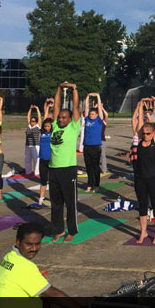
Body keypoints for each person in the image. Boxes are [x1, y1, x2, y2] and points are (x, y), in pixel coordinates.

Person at [0, 222, 81, 308]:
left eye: (37, 244)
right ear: (18, 242)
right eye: (29, 244)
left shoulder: (9, 257)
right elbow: (52, 293)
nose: (34, 248)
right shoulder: (25, 267)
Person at [48, 82, 80, 242]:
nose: (60, 119)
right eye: (59, 117)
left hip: (68, 169)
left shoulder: (73, 127)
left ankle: (72, 231)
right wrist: (59, 89)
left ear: (70, 119)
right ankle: (58, 230)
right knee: (55, 204)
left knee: (70, 203)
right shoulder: (55, 126)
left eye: (63, 117)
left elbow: (75, 107)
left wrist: (74, 89)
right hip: (53, 169)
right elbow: (56, 105)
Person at [133, 98, 155, 244]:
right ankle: (143, 232)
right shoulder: (140, 140)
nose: (145, 135)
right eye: (144, 133)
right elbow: (139, 123)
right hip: (140, 178)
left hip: (153, 178)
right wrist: (140, 105)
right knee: (142, 207)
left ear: (152, 134)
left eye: (147, 133)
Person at [83, 93, 104, 192]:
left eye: (93, 114)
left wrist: (97, 97)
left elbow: (99, 108)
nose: (91, 115)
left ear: (96, 115)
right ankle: (89, 184)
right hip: (86, 146)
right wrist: (87, 97)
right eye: (90, 114)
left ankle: (96, 184)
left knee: (95, 166)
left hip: (96, 146)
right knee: (88, 167)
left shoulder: (99, 120)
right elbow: (86, 107)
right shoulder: (86, 119)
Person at [38, 118, 53, 205]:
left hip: (51, 160)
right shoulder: (42, 133)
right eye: (45, 126)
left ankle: (54, 198)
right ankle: (41, 198)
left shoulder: (53, 134)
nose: (47, 128)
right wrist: (45, 108)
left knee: (52, 181)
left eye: (48, 126)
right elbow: (40, 120)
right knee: (43, 180)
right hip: (42, 159)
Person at [25, 105, 42, 176]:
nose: (32, 122)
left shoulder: (38, 127)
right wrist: (30, 109)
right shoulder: (29, 126)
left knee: (36, 160)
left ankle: (37, 172)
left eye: (34, 121)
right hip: (28, 145)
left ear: (36, 122)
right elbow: (28, 116)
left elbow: (40, 118)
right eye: (31, 121)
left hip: (35, 146)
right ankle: (28, 171)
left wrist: (37, 109)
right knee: (27, 159)